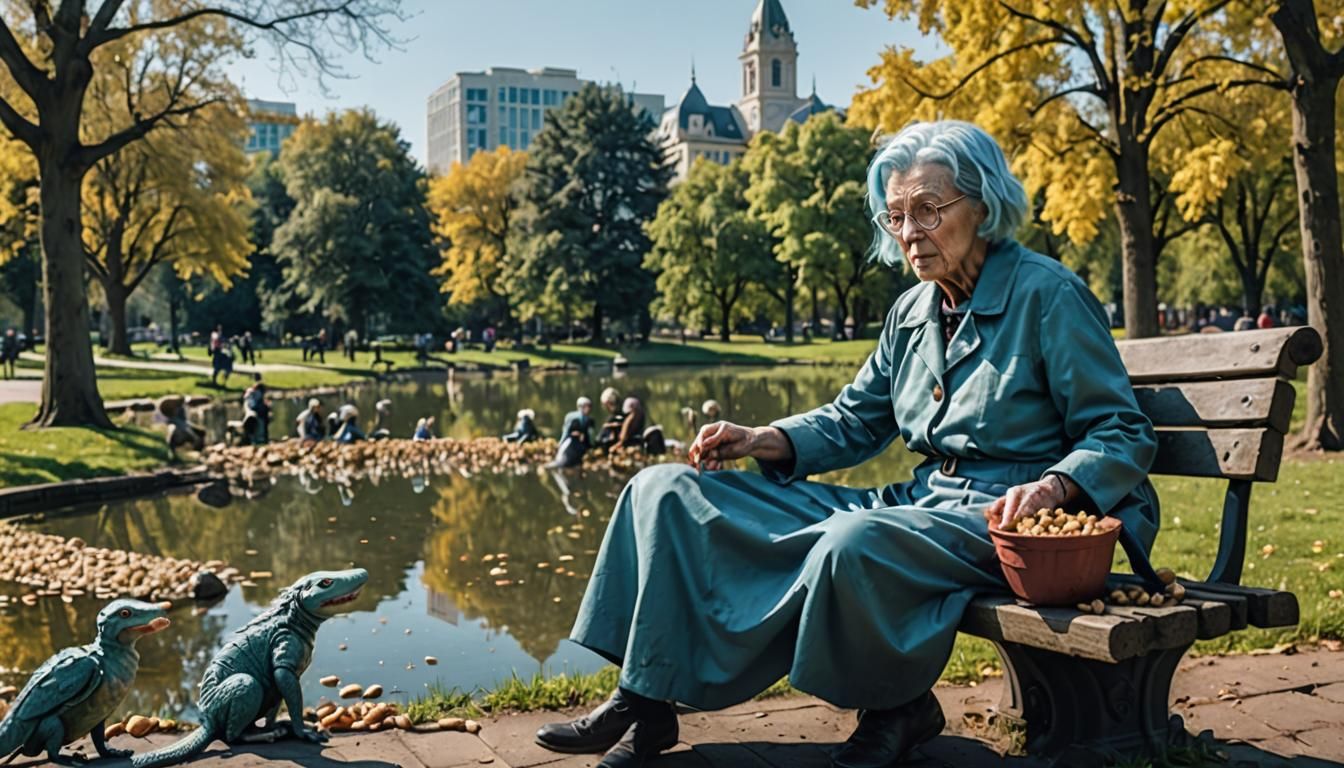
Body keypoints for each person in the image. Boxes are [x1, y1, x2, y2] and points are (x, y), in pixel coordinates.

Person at [535, 121, 1159, 768]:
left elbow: (1121, 428)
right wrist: (761, 438)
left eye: (928, 210)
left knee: (853, 540)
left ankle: (897, 707)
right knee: (662, 490)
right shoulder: (911, 312)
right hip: (923, 503)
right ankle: (643, 696)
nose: (909, 233)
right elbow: (854, 421)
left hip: (1008, 515)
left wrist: (1055, 486)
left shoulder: (1048, 294)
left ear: (982, 205)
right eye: (896, 216)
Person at [549, 397, 595, 468]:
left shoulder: (589, 420)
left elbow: (590, 436)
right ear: (581, 406)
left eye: (590, 406)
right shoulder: (573, 417)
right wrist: (561, 443)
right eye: (587, 406)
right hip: (572, 444)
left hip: (580, 447)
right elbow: (566, 432)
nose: (589, 408)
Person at [242, 374, 271, 445]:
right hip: (252, 414)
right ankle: (259, 439)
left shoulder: (256, 394)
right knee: (260, 419)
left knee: (264, 416)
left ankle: (262, 438)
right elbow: (252, 405)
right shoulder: (252, 394)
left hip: (258, 413)